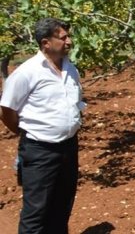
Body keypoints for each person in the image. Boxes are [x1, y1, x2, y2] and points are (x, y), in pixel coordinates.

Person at [0, 18, 85, 233]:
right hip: (39, 150)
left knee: (62, 205)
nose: (69, 41)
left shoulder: (71, 69)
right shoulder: (27, 72)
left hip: (68, 146)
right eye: (63, 37)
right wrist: (24, 131)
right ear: (46, 43)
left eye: (68, 36)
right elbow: (7, 110)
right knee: (36, 212)